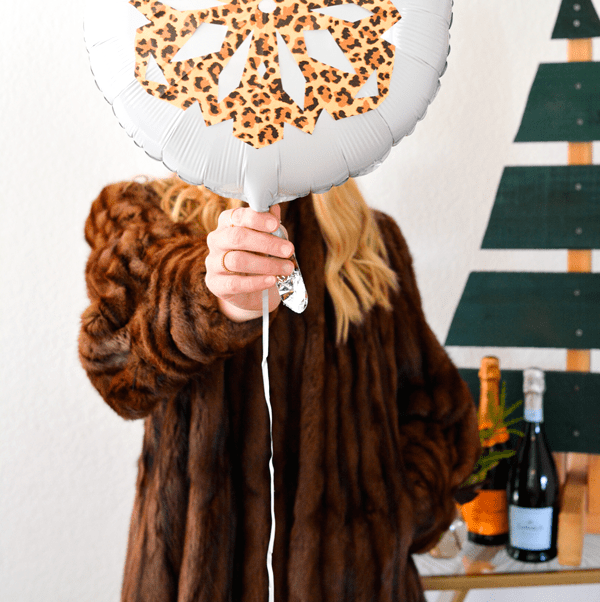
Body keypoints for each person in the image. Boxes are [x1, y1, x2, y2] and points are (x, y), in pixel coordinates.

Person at [79, 175, 480, 602]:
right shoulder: (145, 215)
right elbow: (114, 366)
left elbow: (433, 406)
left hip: (356, 586)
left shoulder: (372, 240)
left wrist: (395, 517)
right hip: (197, 581)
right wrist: (211, 300)